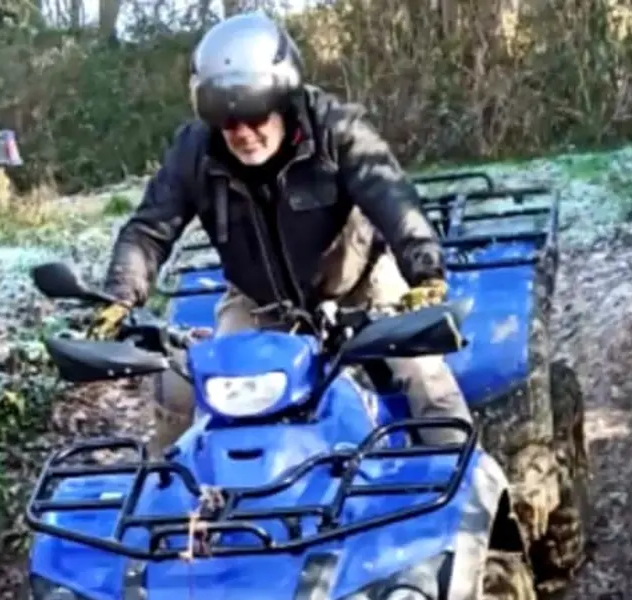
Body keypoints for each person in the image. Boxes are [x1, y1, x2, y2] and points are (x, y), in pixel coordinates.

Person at [92, 11, 472, 457]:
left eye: (254, 117)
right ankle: (174, 492)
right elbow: (148, 229)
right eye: (227, 123)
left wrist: (425, 272)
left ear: (282, 101)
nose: (243, 133)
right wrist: (119, 297)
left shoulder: (335, 129)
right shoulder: (194, 151)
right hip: (259, 302)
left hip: (359, 285)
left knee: (423, 372)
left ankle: (465, 477)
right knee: (191, 389)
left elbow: (391, 197)